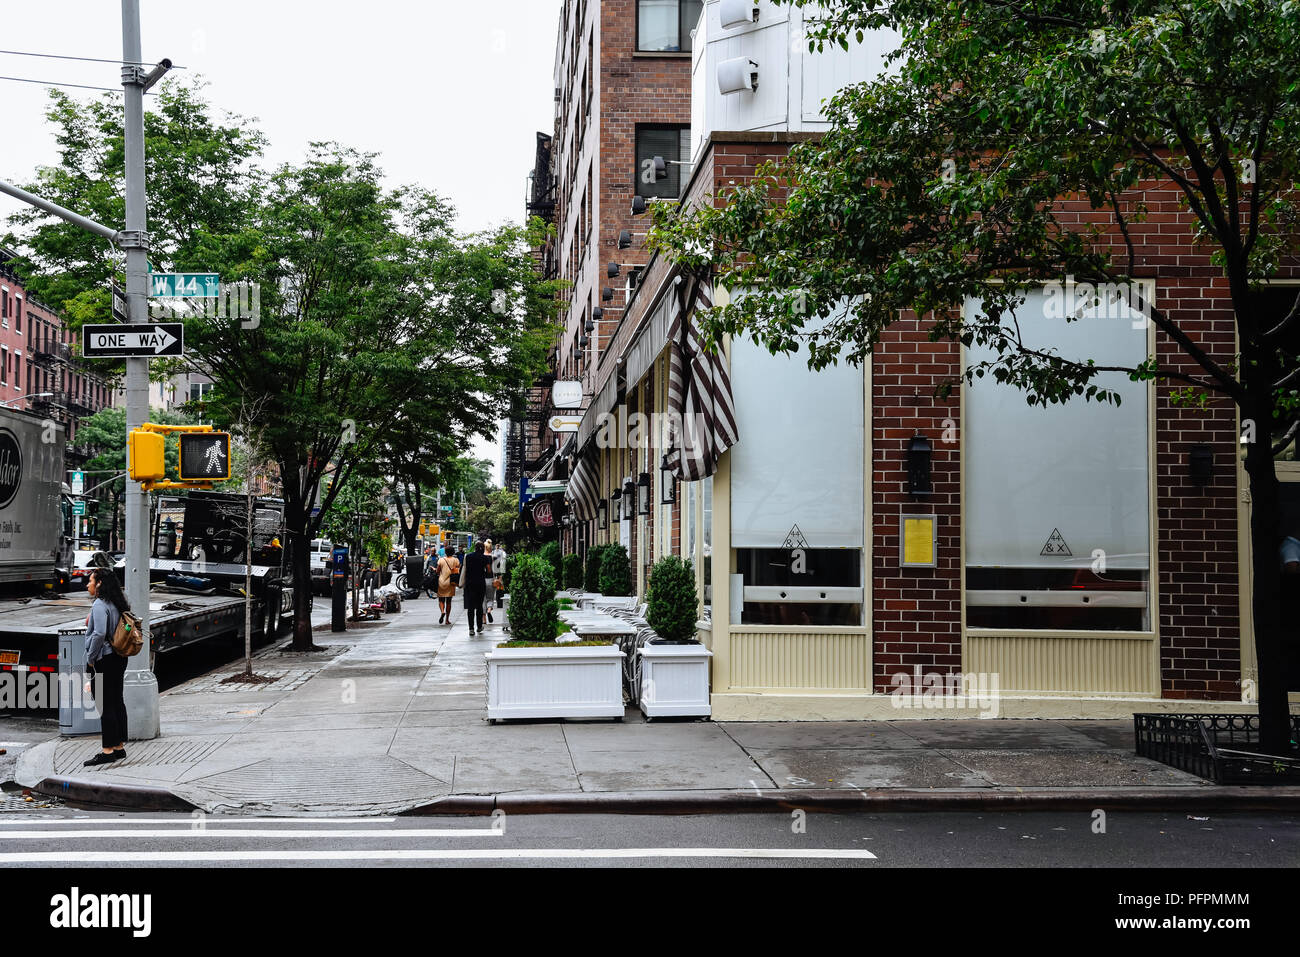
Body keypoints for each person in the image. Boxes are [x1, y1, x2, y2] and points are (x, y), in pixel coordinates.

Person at [82, 568, 129, 766]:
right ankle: (118, 747)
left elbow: (99, 634)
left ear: (99, 583)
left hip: (104, 659)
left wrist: (91, 658)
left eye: (91, 581)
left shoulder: (100, 604)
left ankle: (107, 750)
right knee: (116, 700)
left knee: (104, 704)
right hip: (118, 658)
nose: (87, 585)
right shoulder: (117, 602)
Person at [460, 541, 492, 636]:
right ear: (483, 548)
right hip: (480, 583)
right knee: (479, 605)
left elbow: (464, 568)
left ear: (475, 548)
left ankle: (471, 628)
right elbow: (489, 570)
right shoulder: (484, 558)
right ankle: (479, 626)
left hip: (470, 584)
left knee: (470, 606)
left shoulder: (468, 557)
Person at [435, 547, 460, 625]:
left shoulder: (441, 560)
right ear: (453, 552)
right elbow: (458, 569)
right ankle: (447, 620)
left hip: (442, 581)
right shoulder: (456, 560)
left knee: (441, 599)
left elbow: (437, 571)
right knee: (449, 601)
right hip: (451, 582)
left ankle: (442, 611)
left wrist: (434, 569)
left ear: (445, 552)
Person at [481, 539, 497, 624]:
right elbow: (497, 570)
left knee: (482, 599)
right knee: (490, 598)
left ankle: (484, 619)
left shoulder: (481, 556)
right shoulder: (493, 557)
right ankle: (489, 610)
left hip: (481, 580)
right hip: (491, 579)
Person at [492, 540, 508, 609]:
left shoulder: (502, 552)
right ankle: (498, 598)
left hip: (499, 568)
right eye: (497, 545)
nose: (497, 546)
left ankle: (499, 598)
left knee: (499, 583)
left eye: (498, 545)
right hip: (496, 568)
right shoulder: (494, 552)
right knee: (497, 582)